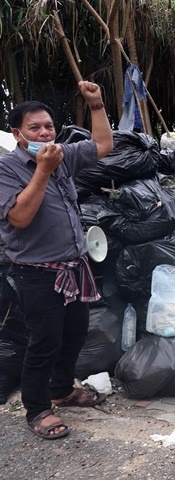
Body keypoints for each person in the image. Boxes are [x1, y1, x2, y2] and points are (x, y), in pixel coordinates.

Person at [0, 81, 112, 440]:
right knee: (44, 340)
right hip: (37, 272)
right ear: (18, 134)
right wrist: (43, 170)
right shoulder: (7, 169)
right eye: (35, 127)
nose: (44, 132)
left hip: (74, 266)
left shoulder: (60, 154)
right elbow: (19, 217)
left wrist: (96, 106)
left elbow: (103, 145)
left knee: (75, 331)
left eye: (48, 126)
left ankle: (61, 390)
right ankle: (36, 408)